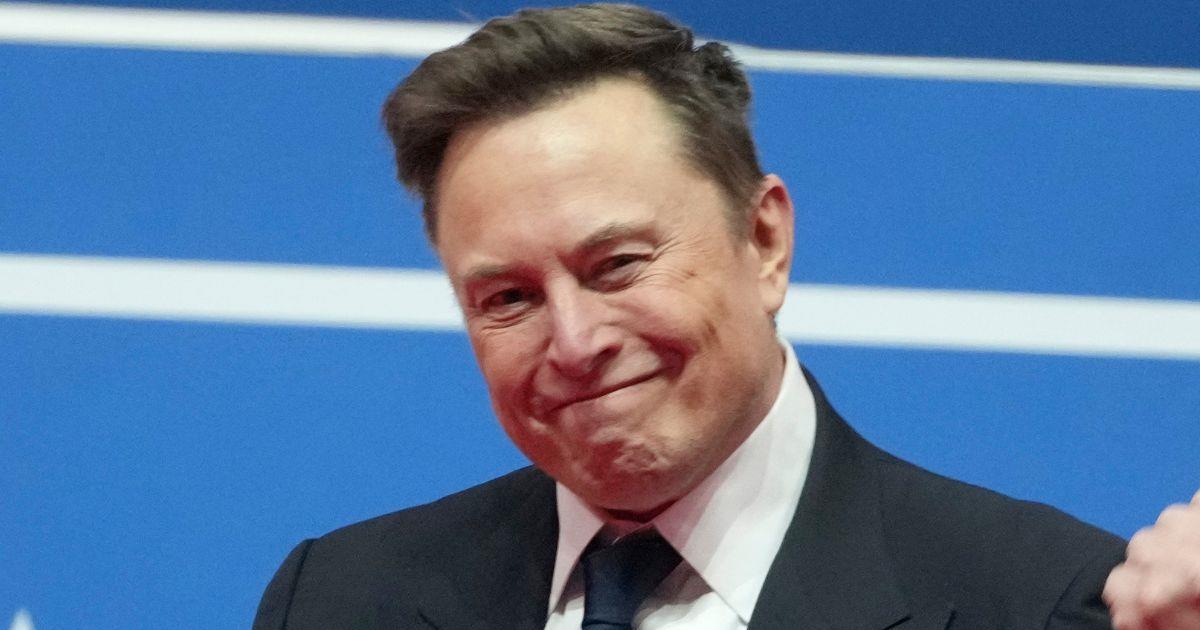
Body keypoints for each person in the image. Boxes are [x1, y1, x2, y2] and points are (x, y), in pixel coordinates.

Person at [254, 4, 1200, 629]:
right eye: (509, 299)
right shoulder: (340, 601)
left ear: (765, 241)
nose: (575, 344)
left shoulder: (1040, 604)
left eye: (619, 265)